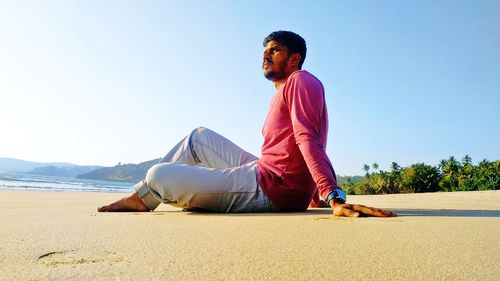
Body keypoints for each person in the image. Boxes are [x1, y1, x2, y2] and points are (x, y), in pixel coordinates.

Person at [98, 31, 396, 218]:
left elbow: (308, 138)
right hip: (267, 172)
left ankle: (147, 194)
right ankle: (142, 196)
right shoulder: (282, 92)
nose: (266, 54)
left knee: (158, 174)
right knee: (197, 137)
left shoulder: (301, 80)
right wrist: (310, 193)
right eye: (265, 50)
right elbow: (290, 149)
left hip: (273, 188)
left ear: (294, 59)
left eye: (275, 49)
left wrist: (331, 195)